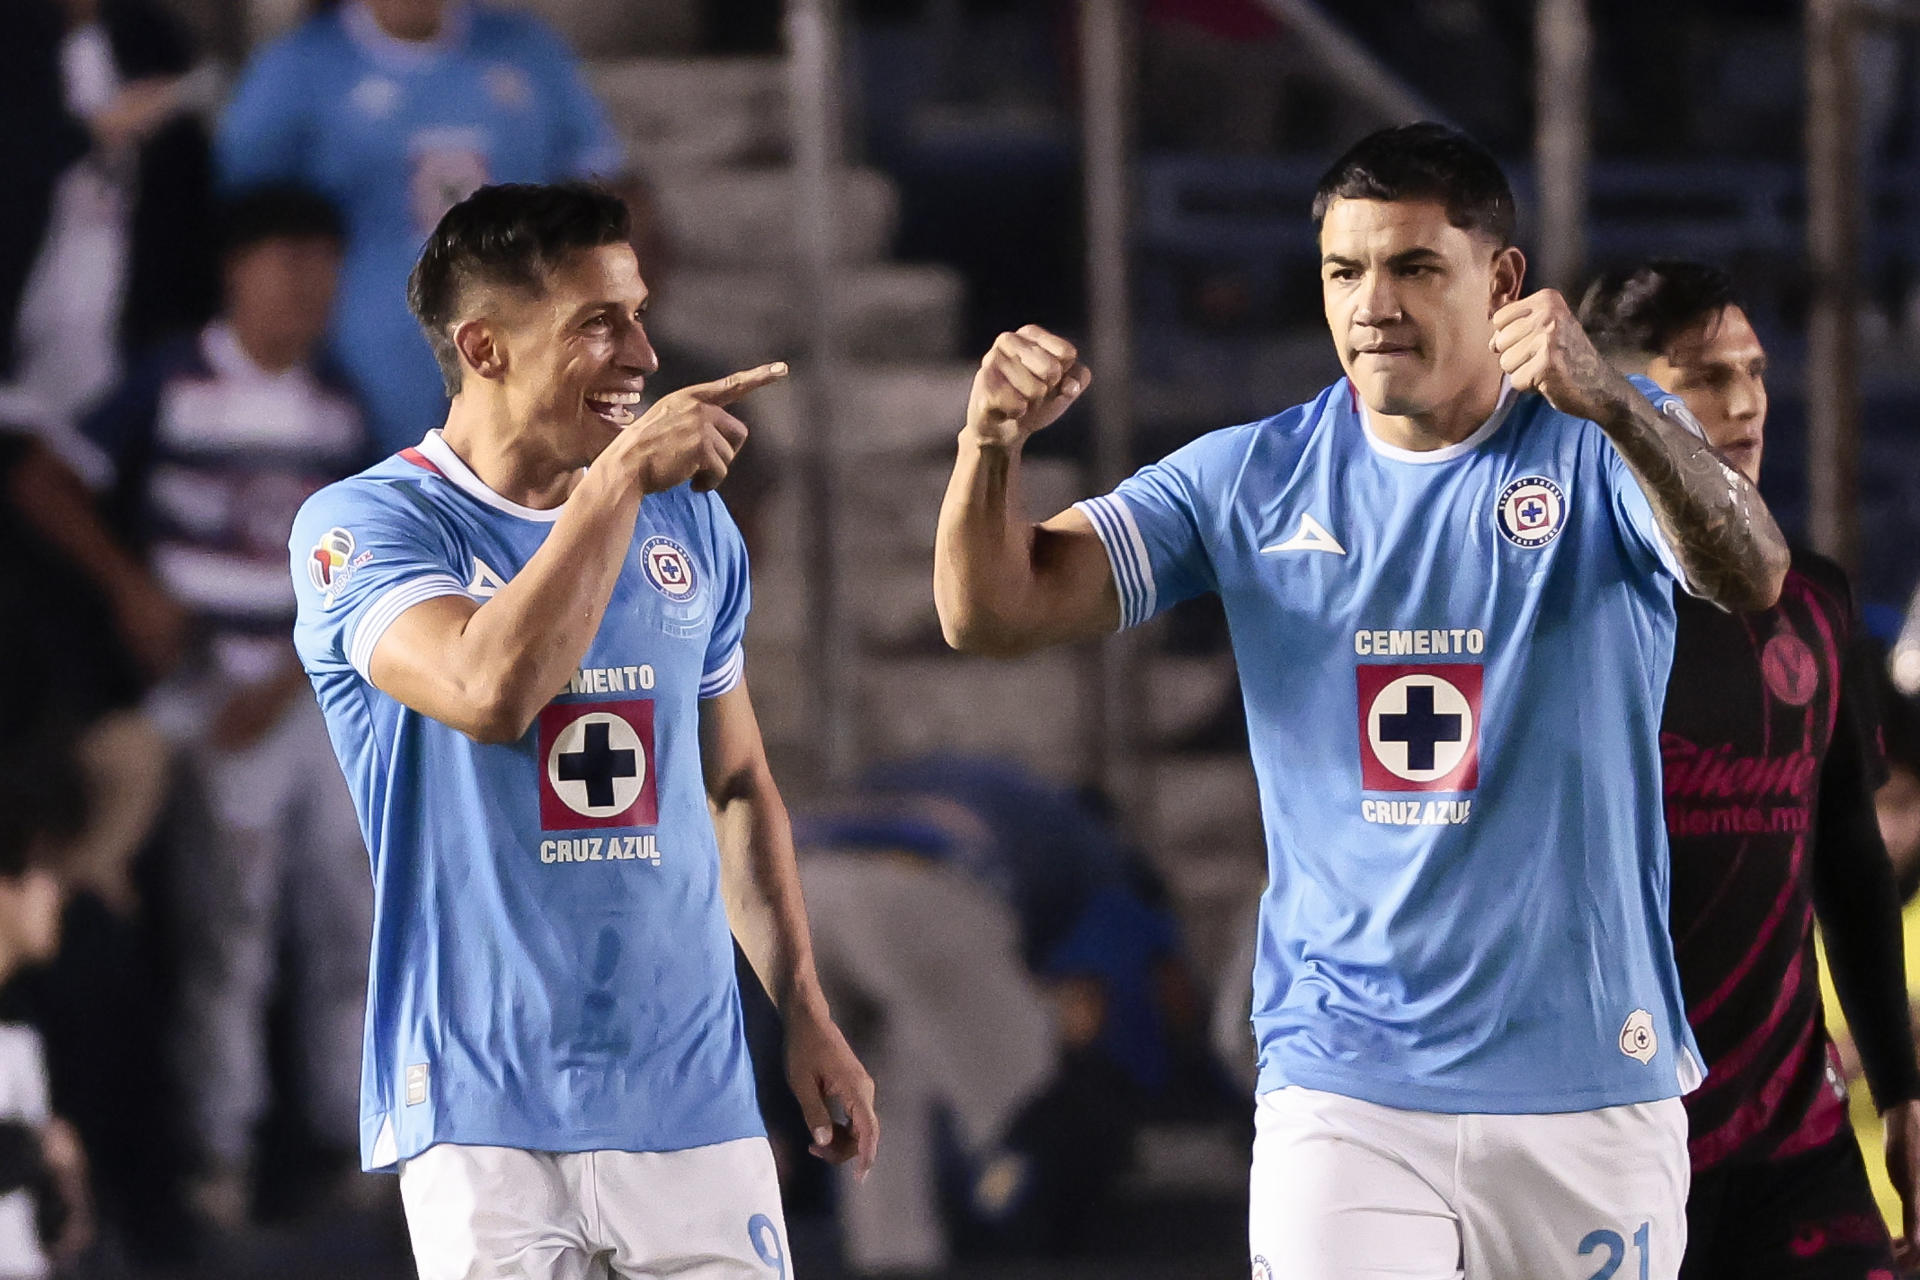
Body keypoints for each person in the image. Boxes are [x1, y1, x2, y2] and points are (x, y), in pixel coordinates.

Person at [933, 122, 1791, 1280]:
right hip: (1347, 1086)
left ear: (1502, 281)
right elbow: (993, 610)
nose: (1372, 302)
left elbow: (1751, 572)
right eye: (1345, 271)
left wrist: (1619, 405)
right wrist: (987, 444)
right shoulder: (1250, 476)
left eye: (1413, 267)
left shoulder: (1601, 447)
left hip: (1589, 1080)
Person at [287, 181, 876, 1279]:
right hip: (480, 1107)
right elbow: (486, 688)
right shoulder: (363, 527)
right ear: (484, 346)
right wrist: (614, 487)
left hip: (691, 1091)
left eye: (640, 312)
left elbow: (736, 781)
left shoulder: (689, 521)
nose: (644, 354)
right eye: (599, 322)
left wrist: (801, 1006)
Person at [1580, 260, 1920, 1279]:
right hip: (1602, 1144)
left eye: (1755, 373)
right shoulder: (1563, 608)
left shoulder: (1813, 598)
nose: (1744, 405)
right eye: (1702, 377)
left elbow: (1849, 857)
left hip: (1793, 1136)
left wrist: (1902, 1090)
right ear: (1615, 406)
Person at [79, 183, 372, 1228]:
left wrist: (287, 675)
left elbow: (364, 570)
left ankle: (352, 1137)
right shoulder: (171, 380)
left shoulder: (341, 405)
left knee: (350, 911)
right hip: (196, 700)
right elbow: (54, 472)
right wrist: (130, 589)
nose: (303, 287)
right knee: (226, 932)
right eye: (284, 262)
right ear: (235, 270)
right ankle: (218, 1153)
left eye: (322, 265)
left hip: (310, 697)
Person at [217, 0, 629, 457]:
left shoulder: (523, 49)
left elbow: (605, 186)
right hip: (366, 339)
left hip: (520, 325)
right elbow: (246, 211)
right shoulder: (300, 65)